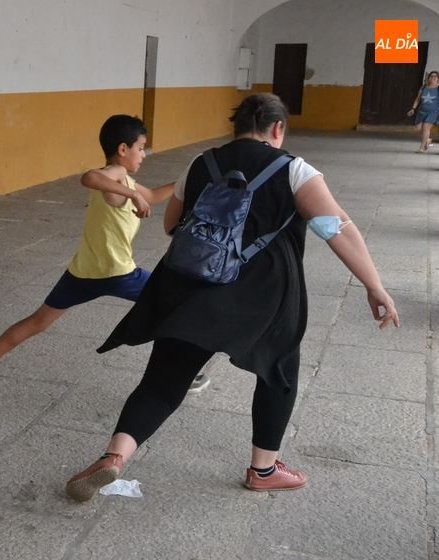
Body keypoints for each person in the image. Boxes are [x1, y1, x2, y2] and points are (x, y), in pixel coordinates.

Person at [65, 93, 400, 503]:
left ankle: (115, 456)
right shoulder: (295, 170)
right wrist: (374, 285)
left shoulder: (201, 163)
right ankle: (264, 469)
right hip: (264, 293)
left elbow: (172, 225)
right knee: (279, 371)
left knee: (164, 379)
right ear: (277, 129)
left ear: (236, 126)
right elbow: (338, 230)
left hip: (191, 284)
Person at [0, 115, 174, 401]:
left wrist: (184, 182)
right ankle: (181, 373)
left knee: (38, 322)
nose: (144, 154)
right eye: (141, 147)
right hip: (117, 273)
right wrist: (132, 196)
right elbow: (90, 177)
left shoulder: (125, 179)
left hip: (84, 272)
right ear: (123, 149)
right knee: (173, 301)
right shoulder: (113, 174)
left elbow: (155, 195)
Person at [407, 71, 439, 153]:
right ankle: (427, 140)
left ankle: (422, 147)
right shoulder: (423, 87)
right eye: (431, 76)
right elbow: (418, 99)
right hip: (422, 111)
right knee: (418, 128)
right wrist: (413, 108)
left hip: (433, 111)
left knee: (425, 128)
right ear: (428, 78)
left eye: (435, 76)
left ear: (438, 79)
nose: (433, 78)